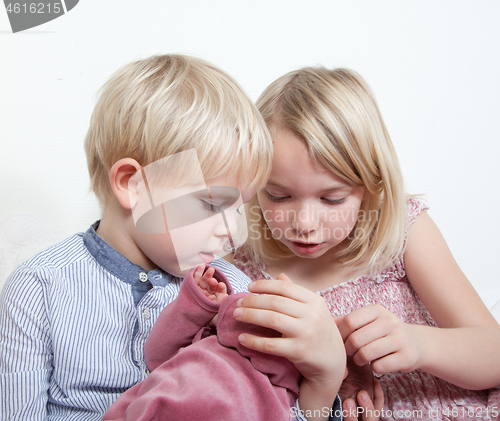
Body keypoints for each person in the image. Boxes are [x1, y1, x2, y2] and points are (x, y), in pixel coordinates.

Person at [0, 55, 346, 421]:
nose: (230, 231)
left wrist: (324, 382)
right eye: (213, 204)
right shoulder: (39, 288)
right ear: (133, 185)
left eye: (239, 208)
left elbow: (270, 406)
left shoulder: (234, 289)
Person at [230, 66, 500, 419]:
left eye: (332, 199)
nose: (305, 224)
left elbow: (493, 353)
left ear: (371, 184)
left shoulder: (403, 234)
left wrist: (418, 344)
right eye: (279, 197)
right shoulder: (240, 278)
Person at [101, 264, 302, 421]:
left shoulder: (288, 374)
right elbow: (156, 357)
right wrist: (197, 307)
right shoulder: (207, 341)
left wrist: (228, 309)